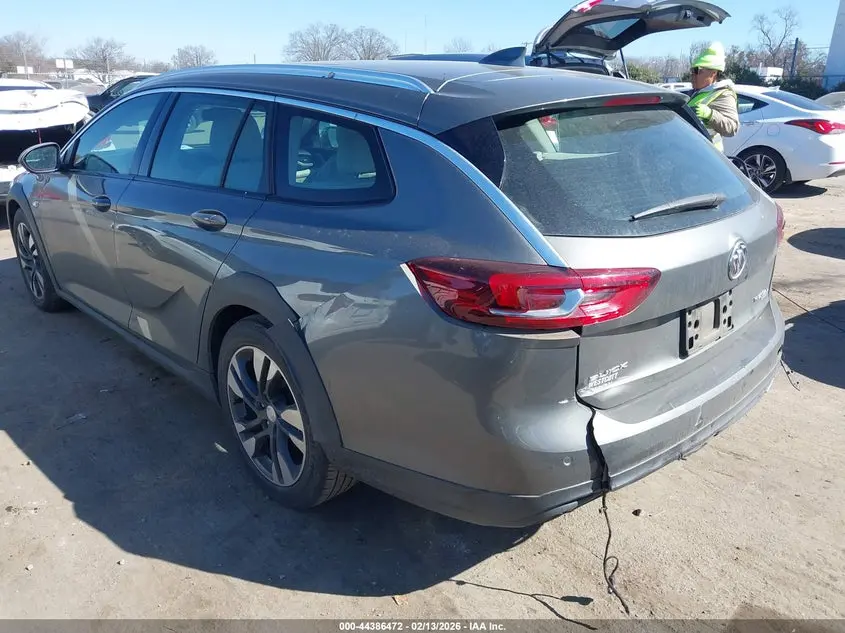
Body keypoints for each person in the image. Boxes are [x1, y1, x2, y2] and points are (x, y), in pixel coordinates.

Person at [687, 42, 740, 152]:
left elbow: (732, 127)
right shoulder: (698, 93)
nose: (693, 75)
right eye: (692, 71)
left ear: (713, 73)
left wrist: (710, 114)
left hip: (708, 155)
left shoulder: (724, 94)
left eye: (698, 71)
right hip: (694, 152)